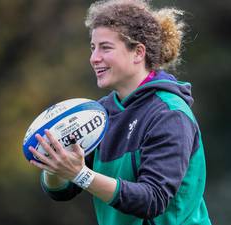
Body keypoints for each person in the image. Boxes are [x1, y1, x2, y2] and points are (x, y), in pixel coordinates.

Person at [28, 0, 211, 224]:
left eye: (105, 47)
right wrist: (56, 164)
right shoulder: (100, 114)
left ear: (138, 53)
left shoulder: (169, 113)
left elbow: (153, 199)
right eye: (93, 48)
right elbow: (61, 191)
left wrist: (80, 174)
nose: (94, 58)